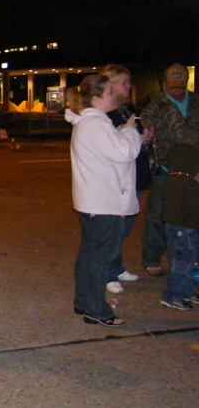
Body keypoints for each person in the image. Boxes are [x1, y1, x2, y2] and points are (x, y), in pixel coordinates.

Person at [66, 74, 140, 327]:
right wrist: (130, 130)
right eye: (109, 91)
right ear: (95, 99)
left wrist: (123, 132)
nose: (115, 94)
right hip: (103, 202)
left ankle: (85, 302)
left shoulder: (94, 123)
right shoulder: (95, 124)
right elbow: (125, 152)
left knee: (91, 256)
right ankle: (96, 309)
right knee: (99, 258)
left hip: (97, 201)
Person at [98, 64, 154, 294]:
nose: (129, 87)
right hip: (118, 179)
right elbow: (113, 146)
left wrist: (144, 138)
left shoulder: (126, 109)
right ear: (111, 85)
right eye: (124, 82)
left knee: (125, 225)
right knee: (115, 228)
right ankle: (107, 273)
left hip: (134, 175)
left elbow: (132, 138)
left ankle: (116, 266)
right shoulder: (105, 113)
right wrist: (132, 137)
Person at [140, 63, 199, 277]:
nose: (177, 91)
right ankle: (152, 258)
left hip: (192, 170)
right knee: (157, 214)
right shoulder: (155, 107)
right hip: (165, 168)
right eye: (173, 86)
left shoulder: (196, 102)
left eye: (181, 86)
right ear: (165, 84)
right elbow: (152, 137)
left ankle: (190, 260)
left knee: (191, 214)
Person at [158, 143, 199, 310]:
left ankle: (185, 291)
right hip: (184, 228)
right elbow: (194, 206)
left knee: (186, 262)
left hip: (179, 227)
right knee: (183, 263)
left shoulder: (173, 179)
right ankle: (173, 294)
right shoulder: (186, 183)